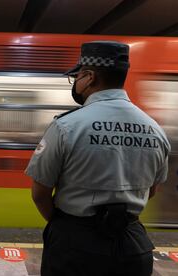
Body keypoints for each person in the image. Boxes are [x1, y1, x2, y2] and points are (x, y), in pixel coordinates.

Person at [25, 41, 170, 276]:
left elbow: (39, 194)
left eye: (77, 77)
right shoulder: (155, 129)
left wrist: (65, 227)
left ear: (90, 76)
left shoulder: (66, 126)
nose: (76, 84)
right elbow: (151, 191)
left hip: (76, 248)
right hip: (133, 246)